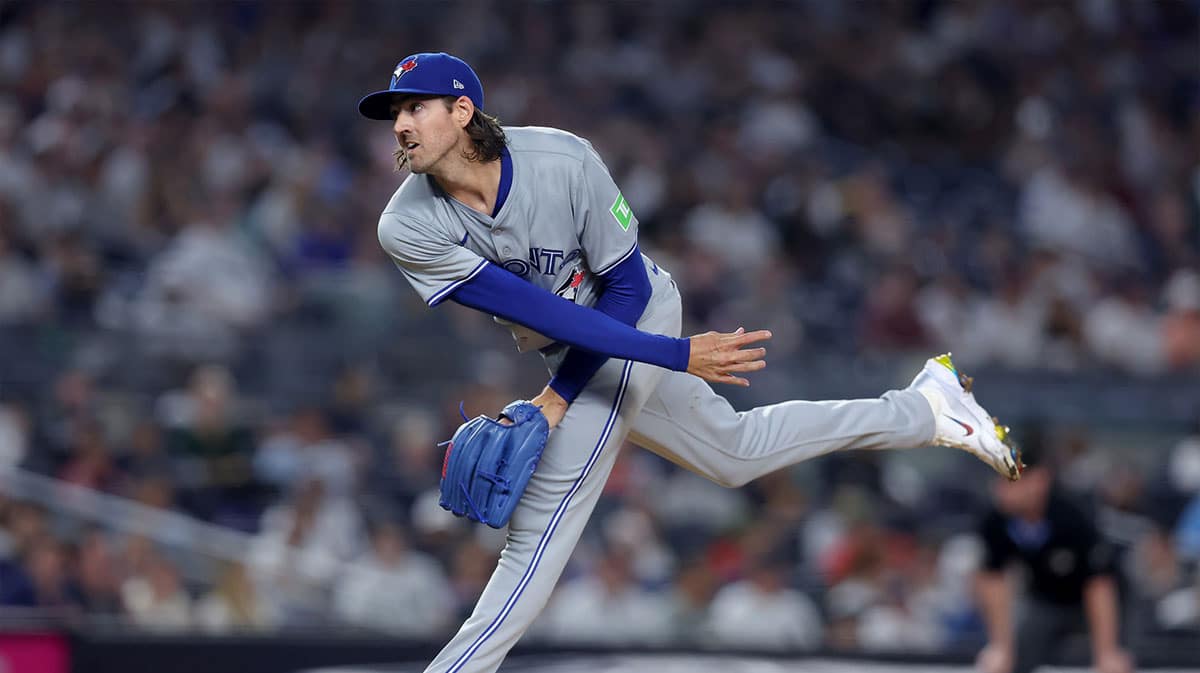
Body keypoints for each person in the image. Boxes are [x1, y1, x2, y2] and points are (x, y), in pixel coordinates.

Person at [357, 51, 1022, 673]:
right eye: (396, 115)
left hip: (639, 318)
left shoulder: (562, 160)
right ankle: (927, 407)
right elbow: (544, 313)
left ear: (463, 111)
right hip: (582, 343)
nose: (401, 126)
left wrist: (611, 375)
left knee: (540, 522)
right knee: (737, 451)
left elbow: (629, 289)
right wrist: (580, 385)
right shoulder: (407, 224)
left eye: (416, 108)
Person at [974, 444, 1134, 673]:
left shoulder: (1072, 516)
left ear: (1039, 481)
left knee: (1116, 663)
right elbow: (993, 581)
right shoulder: (996, 521)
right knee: (1003, 662)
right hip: (1045, 600)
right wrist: (1000, 646)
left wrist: (1107, 652)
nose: (1001, 489)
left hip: (1103, 601)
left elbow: (1099, 584)